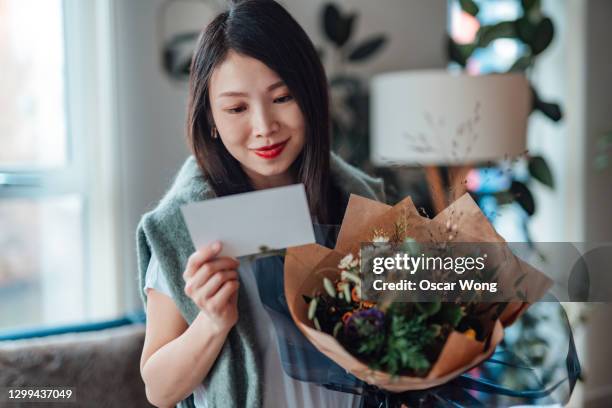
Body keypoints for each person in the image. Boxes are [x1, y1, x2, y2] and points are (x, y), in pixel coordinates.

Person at [137, 1, 385, 407]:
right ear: (211, 120)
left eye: (283, 97)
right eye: (236, 108)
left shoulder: (360, 204)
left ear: (311, 96)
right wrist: (213, 323)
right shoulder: (187, 228)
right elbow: (159, 390)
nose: (264, 127)